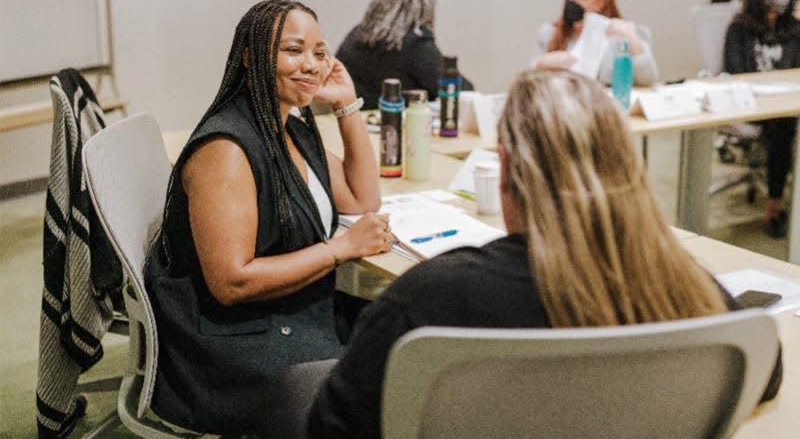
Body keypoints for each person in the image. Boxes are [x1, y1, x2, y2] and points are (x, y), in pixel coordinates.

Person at [306, 70, 782, 438]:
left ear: (508, 166)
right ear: (625, 166)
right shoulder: (677, 280)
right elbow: (764, 370)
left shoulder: (427, 300)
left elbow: (332, 429)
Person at [144, 0, 395, 435]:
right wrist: (340, 249)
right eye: (293, 50)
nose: (312, 65)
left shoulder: (291, 126)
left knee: (397, 335)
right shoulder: (226, 149)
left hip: (288, 309)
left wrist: (347, 105)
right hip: (229, 342)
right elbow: (231, 282)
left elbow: (361, 198)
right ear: (250, 55)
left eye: (320, 53)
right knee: (374, 382)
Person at [724, 0, 800, 238]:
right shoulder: (740, 28)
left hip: (786, 104)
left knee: (784, 123)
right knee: (783, 130)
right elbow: (734, 70)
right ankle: (774, 205)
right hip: (750, 105)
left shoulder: (794, 29)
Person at [336, 0, 472, 110]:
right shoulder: (415, 43)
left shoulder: (357, 33)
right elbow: (459, 91)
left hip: (353, 118)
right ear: (425, 5)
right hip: (396, 121)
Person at [531, 0, 659, 86]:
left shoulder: (624, 34)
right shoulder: (549, 33)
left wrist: (632, 38)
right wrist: (540, 64)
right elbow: (528, 84)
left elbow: (648, 80)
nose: (571, 1)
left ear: (600, 3)